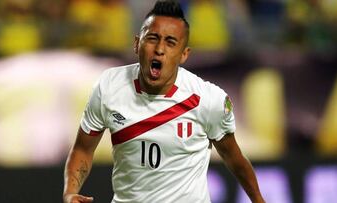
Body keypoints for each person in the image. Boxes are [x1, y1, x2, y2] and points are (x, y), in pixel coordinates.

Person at [63, 0, 265, 202]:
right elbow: (83, 148)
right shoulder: (109, 86)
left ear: (184, 54)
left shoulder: (207, 99)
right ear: (136, 44)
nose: (159, 49)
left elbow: (234, 158)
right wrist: (71, 191)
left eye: (170, 42)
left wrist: (258, 200)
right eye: (152, 38)